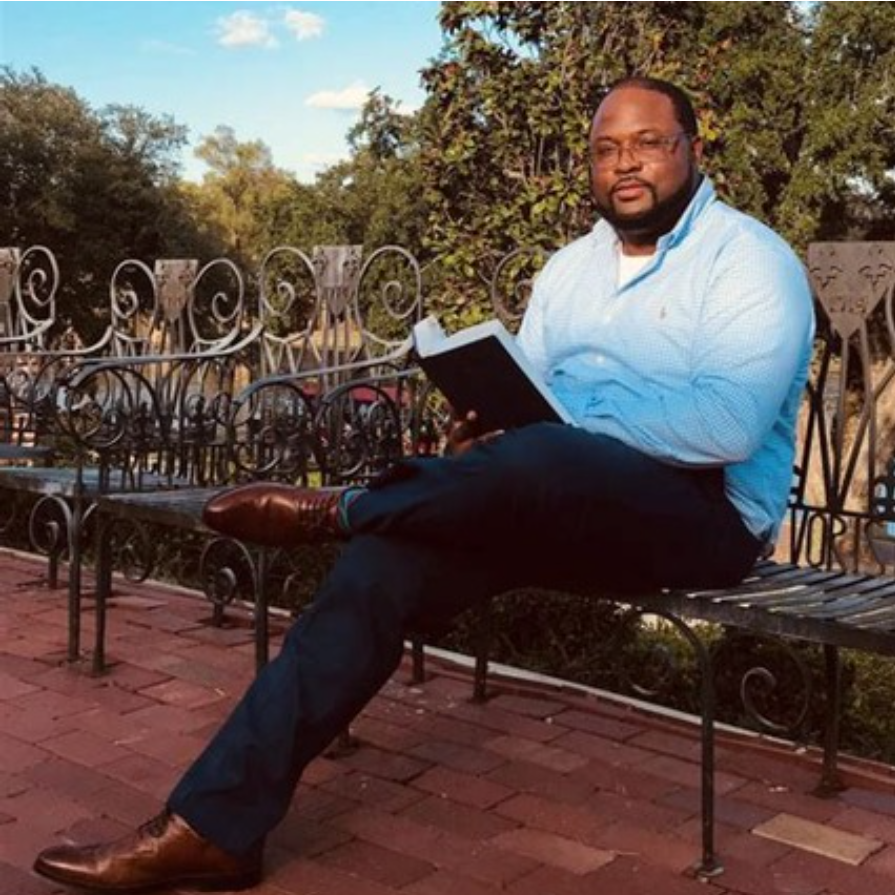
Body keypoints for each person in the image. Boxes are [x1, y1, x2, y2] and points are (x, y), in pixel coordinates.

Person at [33, 76, 815, 892]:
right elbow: (532, 397)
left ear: (692, 148)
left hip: (701, 517)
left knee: (544, 454)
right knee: (380, 567)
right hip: (551, 499)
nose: (625, 164)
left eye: (648, 143)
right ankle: (215, 828)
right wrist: (485, 435)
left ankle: (348, 506)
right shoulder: (568, 270)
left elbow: (724, 426)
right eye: (605, 148)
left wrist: (553, 435)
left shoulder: (749, 261)